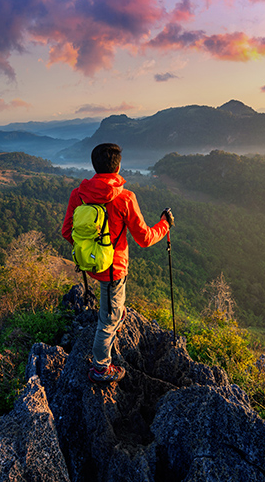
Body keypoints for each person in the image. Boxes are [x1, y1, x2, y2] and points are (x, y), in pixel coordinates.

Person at [62, 143, 174, 384]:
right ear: (118, 166)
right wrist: (164, 225)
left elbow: (67, 231)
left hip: (92, 265)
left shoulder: (79, 194)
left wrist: (90, 249)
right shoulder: (125, 198)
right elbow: (144, 239)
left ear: (94, 166)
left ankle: (116, 313)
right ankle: (101, 368)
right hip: (114, 269)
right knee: (107, 321)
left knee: (112, 305)